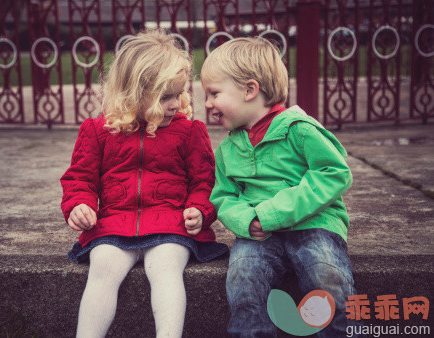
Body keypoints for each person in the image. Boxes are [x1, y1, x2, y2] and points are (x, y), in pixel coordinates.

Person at [60, 30, 228, 338]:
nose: (176, 104)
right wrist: (79, 205)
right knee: (103, 269)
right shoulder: (98, 132)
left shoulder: (189, 132)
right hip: (113, 224)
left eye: (179, 94)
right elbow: (80, 178)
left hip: (171, 224)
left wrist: (200, 209)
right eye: (165, 97)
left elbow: (205, 182)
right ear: (133, 93)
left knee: (164, 269)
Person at [201, 37, 364, 337]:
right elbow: (223, 196)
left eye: (214, 93)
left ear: (250, 90)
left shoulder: (298, 130)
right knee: (243, 276)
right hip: (258, 233)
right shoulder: (228, 149)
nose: (208, 104)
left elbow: (334, 173)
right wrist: (246, 221)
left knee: (325, 274)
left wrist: (274, 212)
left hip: (314, 224)